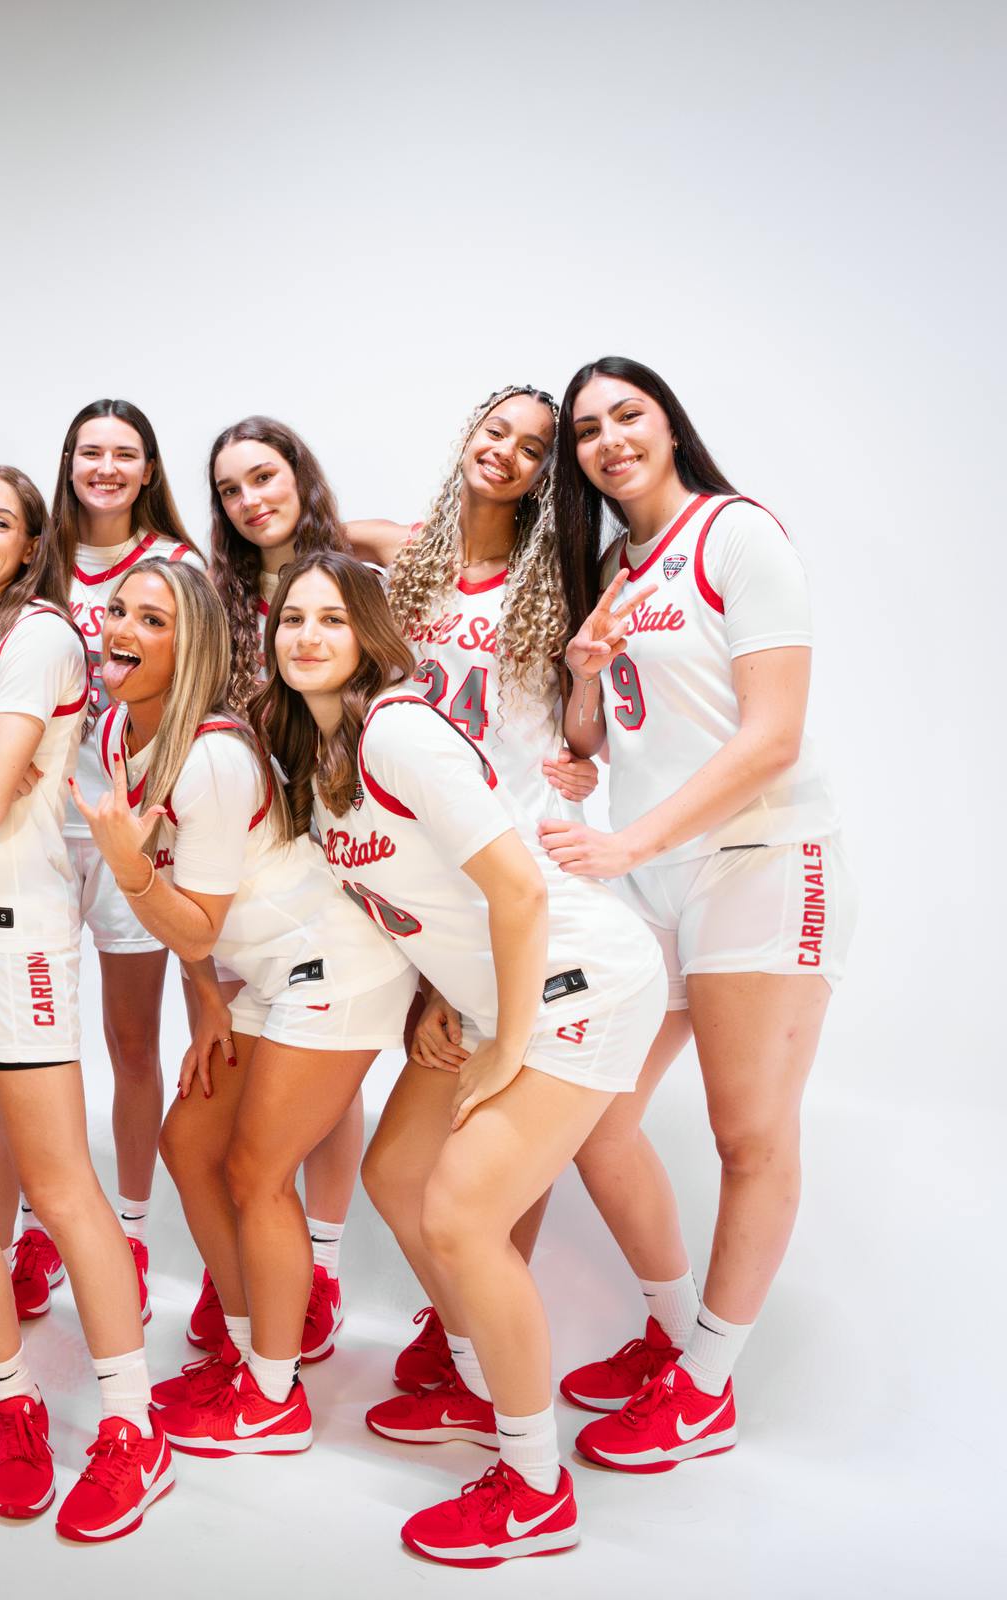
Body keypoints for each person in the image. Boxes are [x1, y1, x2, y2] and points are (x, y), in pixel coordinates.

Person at [269, 550, 666, 1565]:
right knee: (395, 1172)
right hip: (492, 993)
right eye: (290, 619)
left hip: (580, 978)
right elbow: (429, 903)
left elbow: (518, 888)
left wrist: (510, 1036)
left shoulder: (395, 730)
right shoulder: (316, 772)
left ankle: (535, 1486)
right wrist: (447, 999)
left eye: (331, 618)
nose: (307, 635)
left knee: (458, 1211)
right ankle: (475, 1379)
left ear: (369, 635)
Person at [539, 356, 856, 1470]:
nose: (609, 438)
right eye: (586, 428)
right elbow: (596, 737)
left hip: (759, 861)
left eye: (627, 414)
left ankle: (707, 1382)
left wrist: (627, 840)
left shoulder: (736, 534)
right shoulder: (617, 562)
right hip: (655, 871)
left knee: (745, 1131)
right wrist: (580, 681)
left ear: (669, 422)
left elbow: (768, 735)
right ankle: (673, 1338)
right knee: (590, 1116)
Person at [73, 558, 413, 1459]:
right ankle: (247, 1338)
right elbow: (193, 926)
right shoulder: (116, 736)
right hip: (268, 974)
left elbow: (189, 916)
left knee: (259, 1173)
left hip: (336, 967)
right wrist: (208, 1006)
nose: (124, 630)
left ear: (191, 652)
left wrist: (128, 868)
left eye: (154, 621)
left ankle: (273, 1394)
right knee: (190, 1144)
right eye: (119, 611)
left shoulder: (214, 757)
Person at [0, 464, 172, 1541]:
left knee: (62, 1185)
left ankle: (131, 1428)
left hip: (19, 935)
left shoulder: (41, 635)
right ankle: (2, 1366)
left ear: (28, 543)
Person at [345, 385, 601, 1392]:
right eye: (494, 431)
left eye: (532, 447)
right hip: (420, 854)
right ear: (467, 437)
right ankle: (468, 1328)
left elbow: (580, 730)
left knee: (489, 1119)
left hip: (509, 862)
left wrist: (583, 736)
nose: (505, 452)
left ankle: (483, 1322)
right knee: (435, 1124)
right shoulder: (400, 552)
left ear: (547, 476)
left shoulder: (555, 579)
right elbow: (274, 522)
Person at [186, 416, 408, 1358]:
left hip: (345, 849)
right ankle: (247, 1266)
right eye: (232, 489)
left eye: (264, 477)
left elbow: (435, 551)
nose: (251, 501)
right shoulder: (223, 594)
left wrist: (365, 538)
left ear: (299, 475)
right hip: (254, 855)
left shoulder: (347, 565)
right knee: (254, 1056)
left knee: (327, 1074)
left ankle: (317, 1263)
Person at [47, 399, 200, 1320]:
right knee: (21, 1038)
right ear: (69, 463)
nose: (105, 466)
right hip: (34, 822)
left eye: (125, 454)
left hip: (133, 820)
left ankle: (131, 1237)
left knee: (131, 1042)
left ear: (148, 471)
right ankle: (36, 1226)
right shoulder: (36, 559)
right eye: (89, 451)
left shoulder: (178, 569)